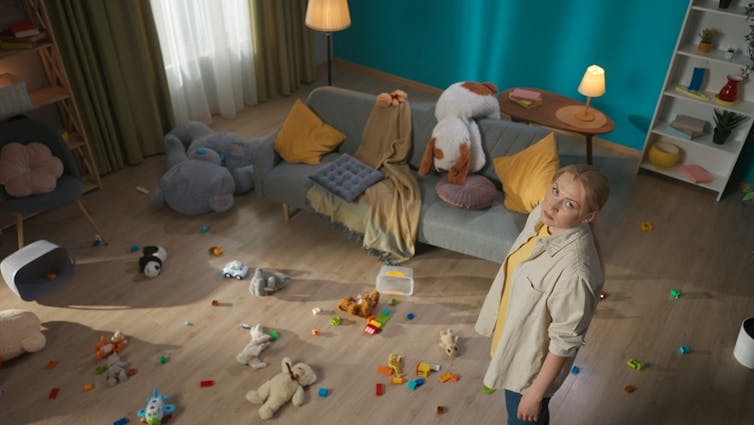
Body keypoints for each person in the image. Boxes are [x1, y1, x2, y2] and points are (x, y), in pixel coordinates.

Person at [475, 164, 610, 425]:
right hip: (515, 345)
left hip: (531, 372)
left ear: (588, 217)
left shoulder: (575, 272)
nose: (554, 204)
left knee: (522, 420)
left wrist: (535, 394)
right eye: (555, 191)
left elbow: (564, 340)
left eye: (570, 204)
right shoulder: (541, 216)